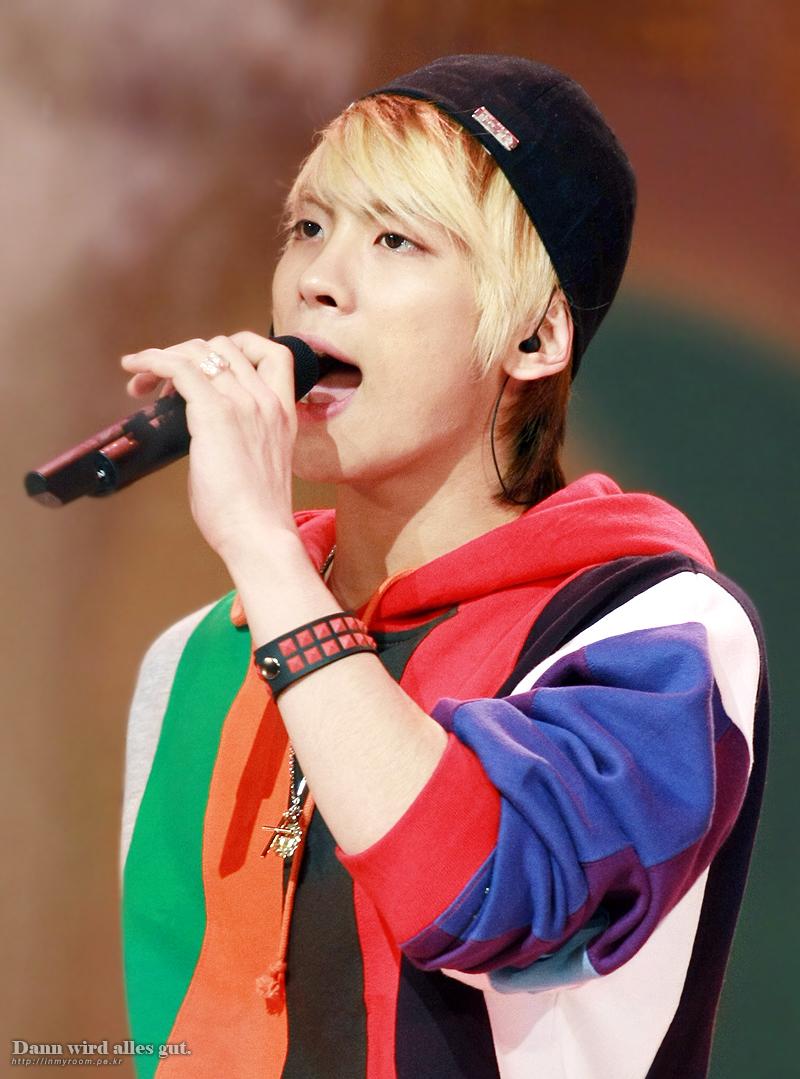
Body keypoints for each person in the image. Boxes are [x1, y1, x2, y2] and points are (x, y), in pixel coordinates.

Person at [119, 55, 769, 1079]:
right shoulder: (192, 660)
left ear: (534, 334)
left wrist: (264, 550)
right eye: (308, 226)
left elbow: (489, 899)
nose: (316, 280)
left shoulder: (650, 629)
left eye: (395, 239)